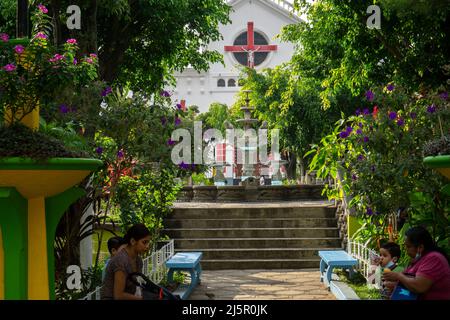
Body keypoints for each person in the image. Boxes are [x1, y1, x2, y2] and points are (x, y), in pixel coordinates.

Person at [383, 226, 450, 300]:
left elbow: (419, 286)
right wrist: (394, 287)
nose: (406, 250)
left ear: (420, 247)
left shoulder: (434, 258)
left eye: (408, 246)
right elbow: (410, 283)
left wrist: (398, 276)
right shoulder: (419, 259)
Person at [101, 224, 151, 300]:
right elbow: (118, 296)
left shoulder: (138, 261)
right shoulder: (121, 260)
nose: (147, 246)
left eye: (148, 242)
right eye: (144, 242)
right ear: (133, 241)